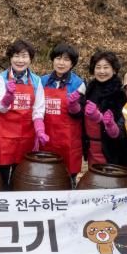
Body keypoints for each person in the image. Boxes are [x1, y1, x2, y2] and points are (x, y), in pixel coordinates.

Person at [0, 40, 47, 189]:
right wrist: (8, 96)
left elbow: (38, 109)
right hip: (4, 135)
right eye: (16, 56)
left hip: (26, 136)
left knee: (20, 176)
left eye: (24, 56)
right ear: (10, 58)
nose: (20, 60)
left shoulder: (36, 81)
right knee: (2, 176)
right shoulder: (0, 79)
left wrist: (40, 130)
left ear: (30, 59)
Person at [40, 43, 85, 186]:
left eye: (66, 59)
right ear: (52, 60)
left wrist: (74, 106)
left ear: (72, 63)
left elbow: (82, 114)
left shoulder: (79, 84)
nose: (61, 63)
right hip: (46, 139)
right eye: (58, 58)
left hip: (69, 140)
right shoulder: (42, 81)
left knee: (68, 179)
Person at [82, 50, 127, 168]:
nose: (102, 71)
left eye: (106, 67)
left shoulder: (120, 93)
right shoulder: (90, 89)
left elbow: (123, 127)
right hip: (93, 147)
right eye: (98, 67)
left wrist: (104, 120)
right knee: (94, 177)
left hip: (114, 149)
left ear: (114, 69)